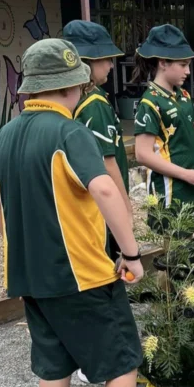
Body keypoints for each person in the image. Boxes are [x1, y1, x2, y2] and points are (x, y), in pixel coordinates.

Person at [0, 39, 175, 387]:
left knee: (52, 367)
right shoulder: (69, 132)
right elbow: (105, 189)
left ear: (32, 88)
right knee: (123, 359)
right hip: (81, 274)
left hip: (30, 277)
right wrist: (131, 254)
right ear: (72, 86)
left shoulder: (4, 138)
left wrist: (17, 244)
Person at [133, 24, 194, 234]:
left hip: (189, 185)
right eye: (183, 65)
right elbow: (142, 154)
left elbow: (189, 136)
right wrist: (187, 175)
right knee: (174, 247)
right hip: (168, 191)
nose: (188, 71)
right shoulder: (150, 103)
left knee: (189, 241)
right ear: (163, 63)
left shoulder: (184, 96)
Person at [64, 19, 131, 262]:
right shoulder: (95, 104)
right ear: (88, 62)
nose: (111, 65)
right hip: (104, 204)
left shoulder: (73, 101)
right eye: (106, 58)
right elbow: (108, 162)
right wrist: (125, 209)